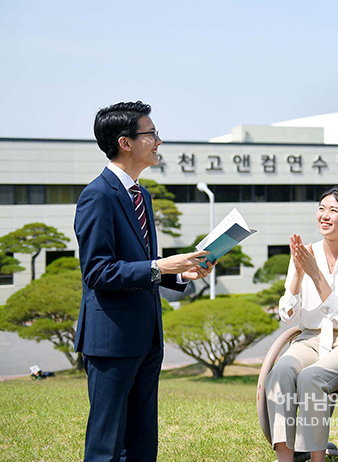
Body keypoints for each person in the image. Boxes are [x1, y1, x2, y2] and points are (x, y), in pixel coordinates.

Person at [74, 101, 214, 461]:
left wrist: (180, 273)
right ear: (125, 142)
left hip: (148, 337)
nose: (158, 141)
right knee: (107, 444)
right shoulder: (97, 196)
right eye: (151, 134)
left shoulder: (141, 195)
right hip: (112, 341)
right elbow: (98, 272)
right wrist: (160, 265)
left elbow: (142, 264)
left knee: (141, 440)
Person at [264, 187, 338, 462]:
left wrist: (316, 276)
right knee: (280, 372)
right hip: (310, 338)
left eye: (333, 210)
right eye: (321, 208)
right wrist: (297, 274)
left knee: (311, 377)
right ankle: (286, 458)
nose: (324, 216)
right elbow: (287, 315)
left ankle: (317, 459)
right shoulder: (305, 254)